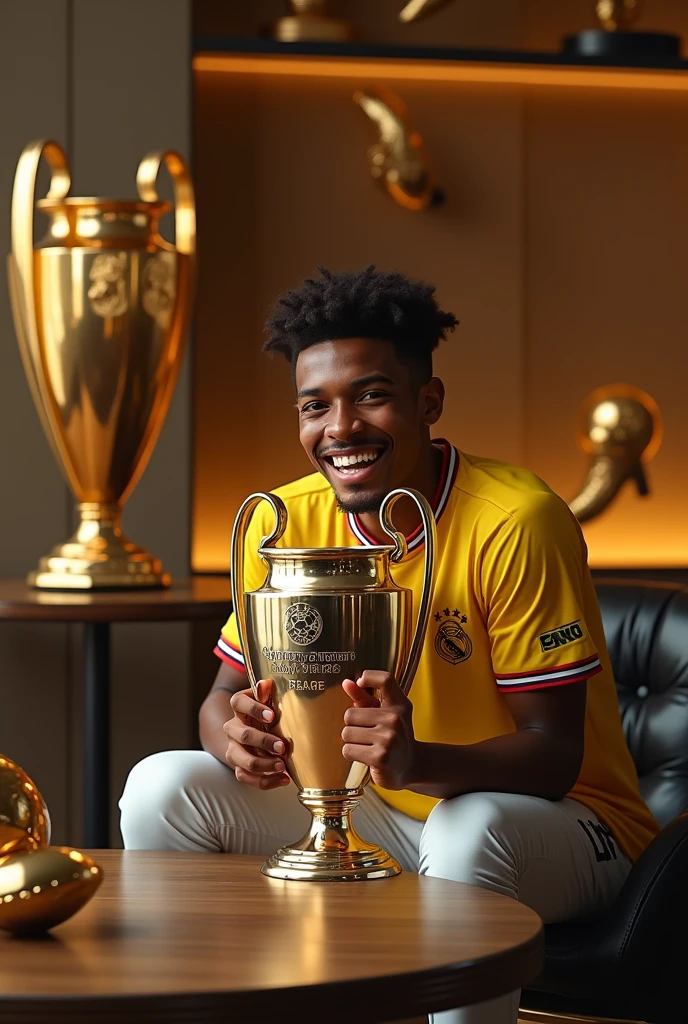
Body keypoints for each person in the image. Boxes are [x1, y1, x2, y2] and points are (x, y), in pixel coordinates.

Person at [119, 266, 658, 1024]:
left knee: (471, 828)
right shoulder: (280, 520)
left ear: (427, 402)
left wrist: (417, 760)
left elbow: (555, 754)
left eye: (370, 395)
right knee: (161, 786)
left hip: (565, 825)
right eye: (315, 407)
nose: (339, 429)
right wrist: (233, 735)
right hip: (375, 812)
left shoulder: (516, 520)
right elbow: (217, 697)